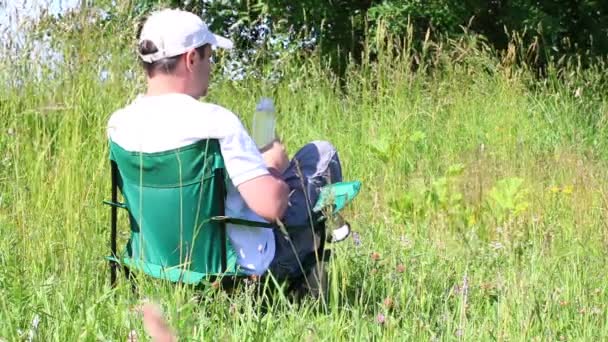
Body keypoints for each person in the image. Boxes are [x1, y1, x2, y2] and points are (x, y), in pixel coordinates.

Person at [107, 8, 342, 280]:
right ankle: (311, 282)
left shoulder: (119, 124)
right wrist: (274, 165)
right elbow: (272, 207)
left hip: (156, 267)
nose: (212, 66)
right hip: (235, 270)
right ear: (191, 58)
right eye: (210, 56)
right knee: (322, 155)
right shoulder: (215, 122)